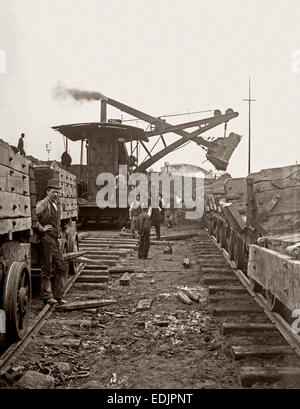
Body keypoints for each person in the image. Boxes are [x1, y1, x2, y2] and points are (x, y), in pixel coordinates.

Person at [36, 179, 67, 305]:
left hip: (54, 240)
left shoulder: (55, 204)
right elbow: (34, 217)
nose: (56, 194)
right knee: (46, 268)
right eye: (54, 192)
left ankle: (58, 295)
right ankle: (47, 296)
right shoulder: (43, 203)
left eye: (58, 192)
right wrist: (41, 228)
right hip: (46, 239)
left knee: (61, 266)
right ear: (48, 191)